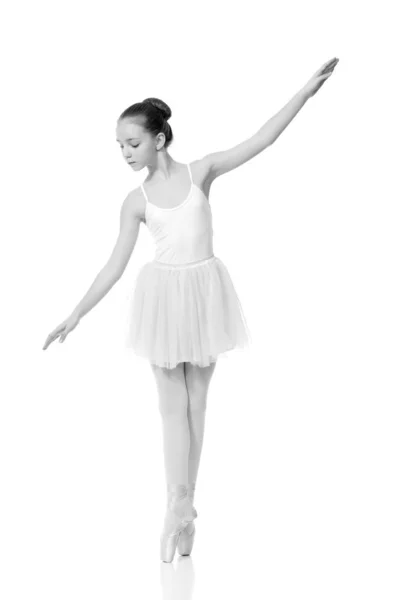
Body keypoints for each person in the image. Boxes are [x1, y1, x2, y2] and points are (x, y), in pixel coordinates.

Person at [42, 57, 339, 562]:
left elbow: (260, 140)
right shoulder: (135, 201)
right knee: (170, 410)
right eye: (119, 146)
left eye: (132, 143)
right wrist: (76, 314)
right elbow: (113, 266)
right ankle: (176, 509)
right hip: (162, 301)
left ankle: (185, 514)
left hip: (203, 296)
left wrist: (304, 94)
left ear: (159, 139)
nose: (125, 153)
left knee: (197, 407)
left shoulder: (202, 172)